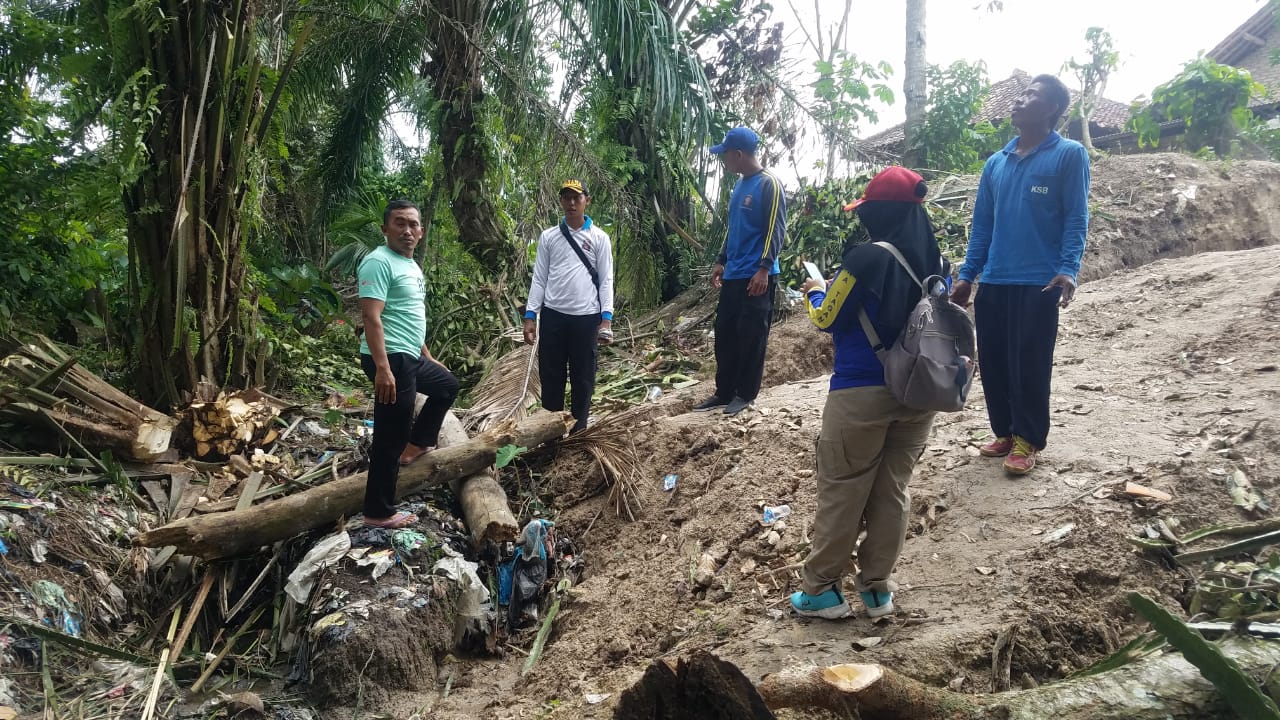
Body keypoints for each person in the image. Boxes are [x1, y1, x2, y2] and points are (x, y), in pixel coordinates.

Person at [789, 166, 948, 620]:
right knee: (892, 491)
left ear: (878, 213)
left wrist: (815, 292)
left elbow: (827, 318)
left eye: (866, 210)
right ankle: (877, 590)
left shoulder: (865, 258)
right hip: (918, 393)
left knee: (843, 489)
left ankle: (821, 591)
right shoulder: (936, 263)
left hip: (861, 392)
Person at [950, 74, 1090, 475]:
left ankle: (1029, 439)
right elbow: (983, 226)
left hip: (1039, 281)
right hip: (995, 279)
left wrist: (1068, 269)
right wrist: (968, 274)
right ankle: (1006, 432)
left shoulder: (1068, 155)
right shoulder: (996, 162)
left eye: (1032, 95)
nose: (1020, 100)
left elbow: (1076, 217)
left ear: (1051, 109)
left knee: (1030, 361)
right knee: (993, 361)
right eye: (1021, 93)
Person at [357, 200, 460, 528]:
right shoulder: (378, 262)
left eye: (413, 224)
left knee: (447, 386)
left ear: (421, 231)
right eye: (399, 223)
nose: (407, 230)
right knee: (390, 434)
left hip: (411, 356)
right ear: (385, 228)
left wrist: (427, 355)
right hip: (392, 358)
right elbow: (371, 318)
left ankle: (416, 445)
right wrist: (383, 368)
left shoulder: (411, 265)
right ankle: (378, 511)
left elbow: (408, 316)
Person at [693, 126, 786, 416]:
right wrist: (721, 259)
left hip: (756, 276)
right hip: (734, 273)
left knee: (752, 335)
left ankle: (745, 394)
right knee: (725, 333)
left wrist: (764, 269)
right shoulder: (740, 186)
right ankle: (724, 392)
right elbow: (734, 229)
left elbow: (776, 230)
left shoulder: (769, 184)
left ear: (738, 154)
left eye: (726, 156)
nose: (724, 162)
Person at [523, 180, 615, 434]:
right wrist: (530, 315)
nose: (572, 203)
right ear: (561, 201)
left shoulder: (599, 238)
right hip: (553, 317)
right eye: (567, 197)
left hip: (586, 318)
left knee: (583, 376)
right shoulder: (549, 237)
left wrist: (606, 319)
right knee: (551, 376)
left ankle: (578, 430)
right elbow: (539, 278)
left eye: (577, 197)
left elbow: (606, 279)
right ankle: (550, 431)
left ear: (587, 200)